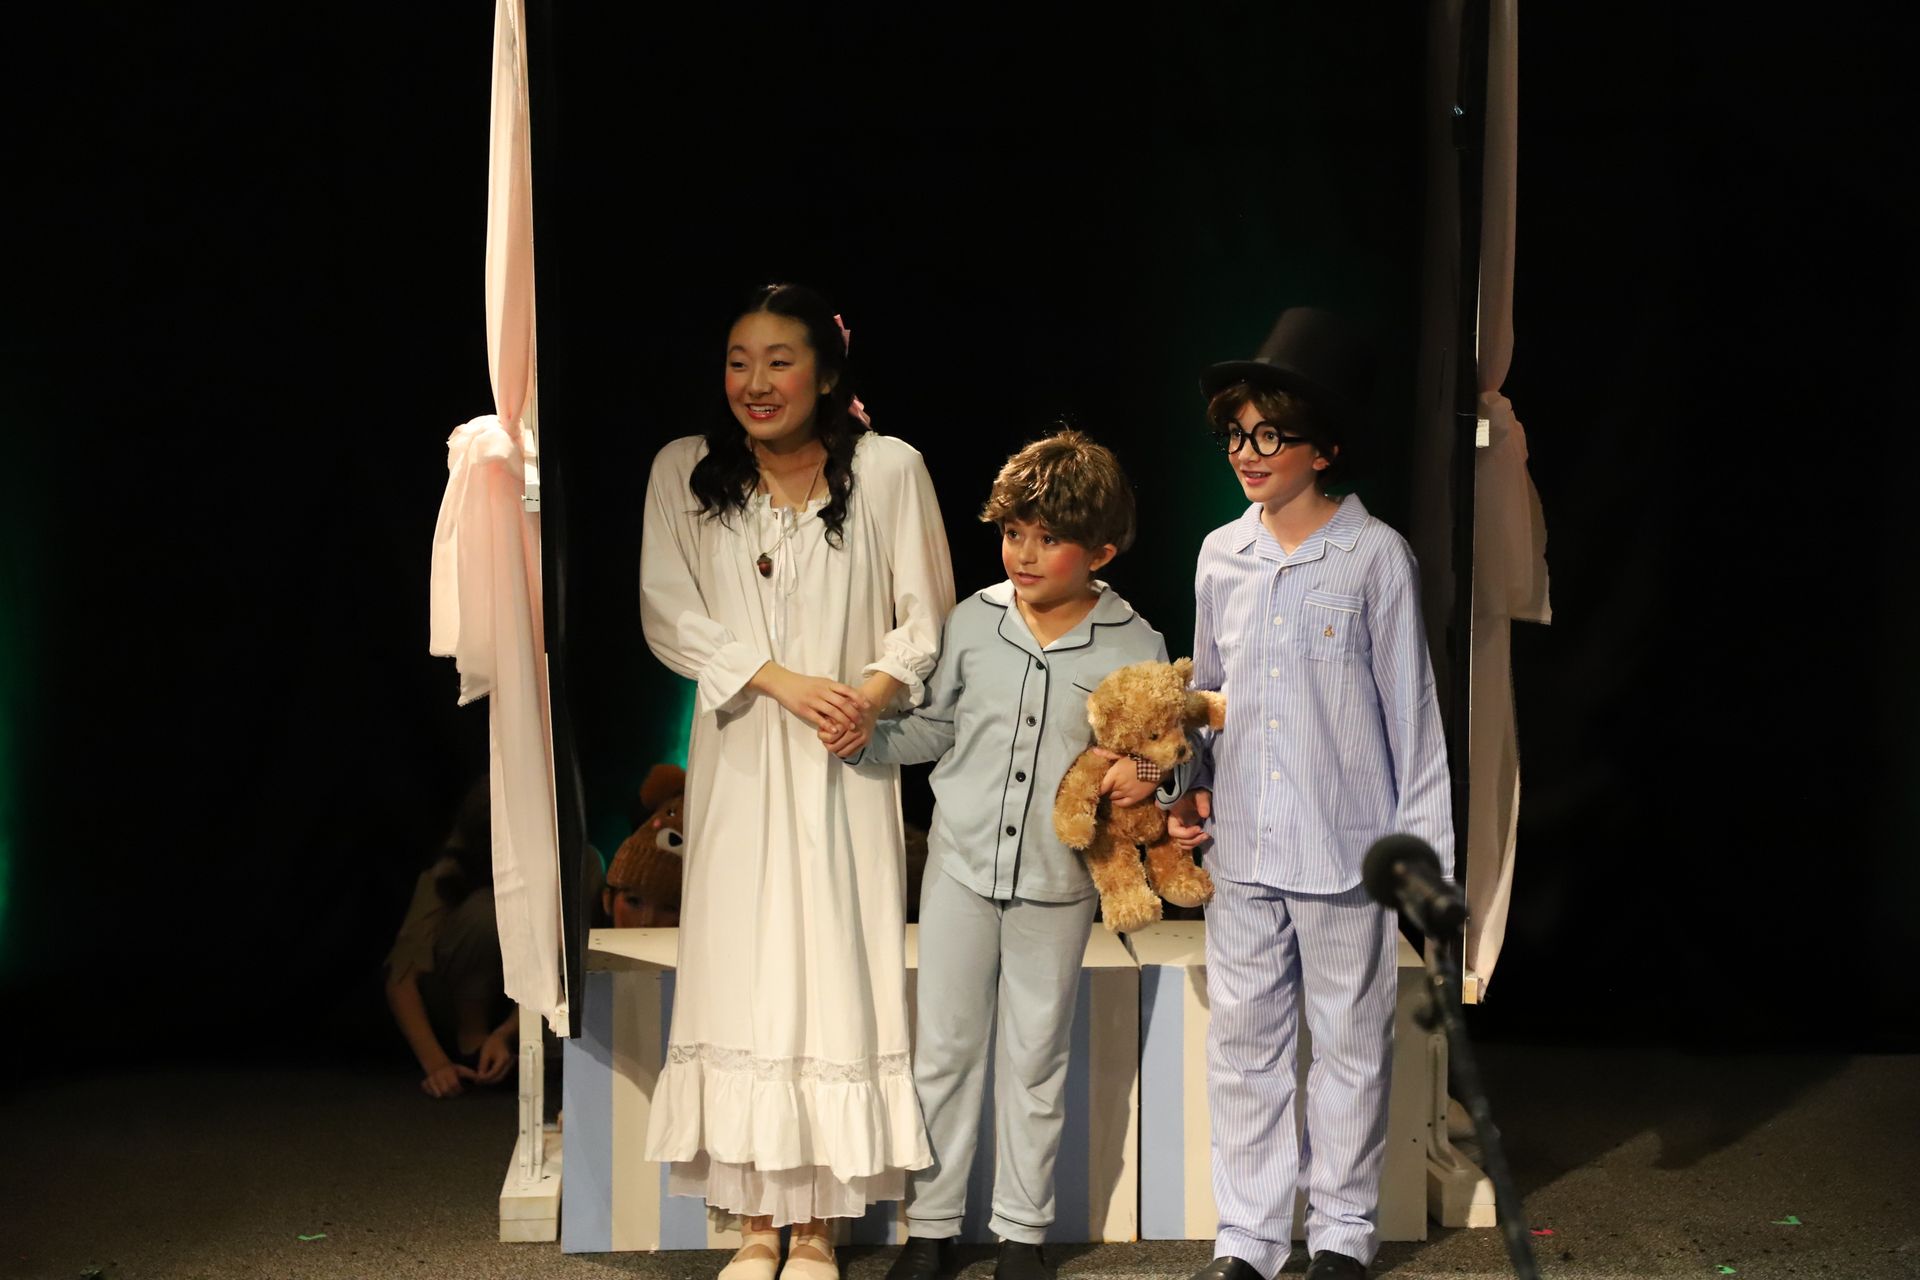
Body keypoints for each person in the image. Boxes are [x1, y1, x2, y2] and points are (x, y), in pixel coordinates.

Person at [639, 283, 956, 1280]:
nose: (756, 381)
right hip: (741, 757)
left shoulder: (892, 469)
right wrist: (782, 682)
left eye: (779, 360)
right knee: (745, 970)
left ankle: (816, 1220)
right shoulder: (683, 472)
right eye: (739, 360)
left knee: (833, 971)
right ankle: (753, 1219)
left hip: (842, 762)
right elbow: (667, 612)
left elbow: (926, 615)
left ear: (824, 371)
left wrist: (864, 695)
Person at [840, 430, 1164, 1280]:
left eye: (1047, 537)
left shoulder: (1137, 642)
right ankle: (933, 1228)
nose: (1024, 552)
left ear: (1100, 549)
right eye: (1014, 531)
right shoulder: (972, 622)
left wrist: (1151, 784)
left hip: (1057, 886)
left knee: (1035, 1059)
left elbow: (1161, 752)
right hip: (958, 870)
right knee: (944, 1053)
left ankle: (1024, 1234)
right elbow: (939, 726)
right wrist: (859, 740)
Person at [1171, 309, 1455, 1280]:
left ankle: (1340, 1233)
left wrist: (1428, 870)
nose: (1248, 452)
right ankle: (1246, 1240)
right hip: (1246, 846)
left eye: (1270, 433)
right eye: (1237, 434)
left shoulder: (1374, 557)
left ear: (1323, 444)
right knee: (1244, 1051)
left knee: (1350, 1051)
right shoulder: (1221, 556)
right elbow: (1207, 690)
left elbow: (1413, 724)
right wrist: (1186, 783)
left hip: (1347, 853)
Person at [384, 775, 516, 1098]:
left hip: (524, 1012)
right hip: (460, 1000)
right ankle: (474, 1042)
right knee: (486, 912)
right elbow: (400, 978)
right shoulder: (451, 873)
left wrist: (509, 1033)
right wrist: (437, 1065)